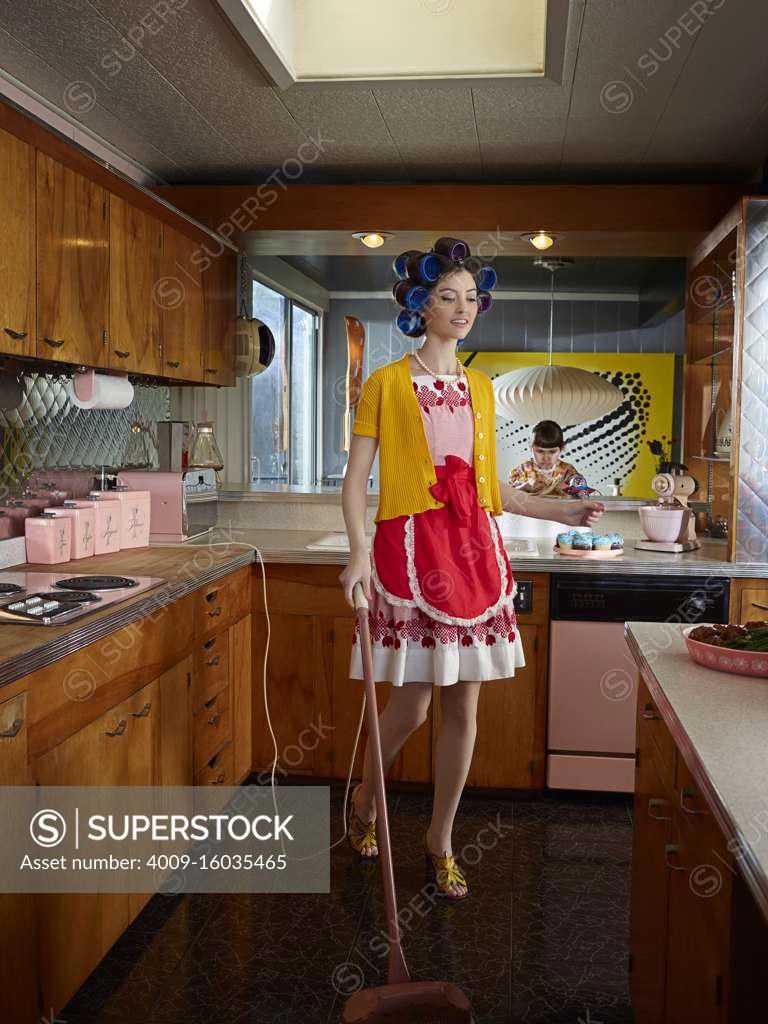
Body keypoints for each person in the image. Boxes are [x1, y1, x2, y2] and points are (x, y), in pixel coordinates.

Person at [339, 238, 604, 899]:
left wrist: (559, 515)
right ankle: (366, 797)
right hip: (410, 549)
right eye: (447, 297)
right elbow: (355, 481)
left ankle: (440, 838)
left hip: (474, 552)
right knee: (414, 705)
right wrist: (356, 553)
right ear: (420, 306)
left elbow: (493, 492)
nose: (462, 308)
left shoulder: (483, 390)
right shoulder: (385, 384)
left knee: (464, 708)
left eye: (471, 298)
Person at [507, 420, 591, 497]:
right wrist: (525, 487)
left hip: (559, 511)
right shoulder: (522, 470)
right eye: (540, 451)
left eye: (552, 452)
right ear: (531, 448)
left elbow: (583, 493)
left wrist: (568, 487)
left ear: (561, 449)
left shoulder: (567, 471)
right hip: (530, 511)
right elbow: (507, 496)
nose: (546, 458)